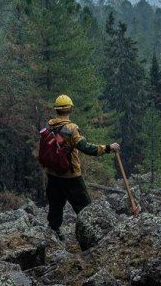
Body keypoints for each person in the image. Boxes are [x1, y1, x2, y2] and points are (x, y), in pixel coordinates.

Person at [44, 94, 120, 237]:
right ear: (70, 109)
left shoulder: (49, 126)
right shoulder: (72, 129)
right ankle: (91, 238)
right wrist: (108, 147)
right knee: (86, 209)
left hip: (52, 174)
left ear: (57, 110)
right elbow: (87, 148)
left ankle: (52, 237)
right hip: (71, 176)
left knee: (55, 209)